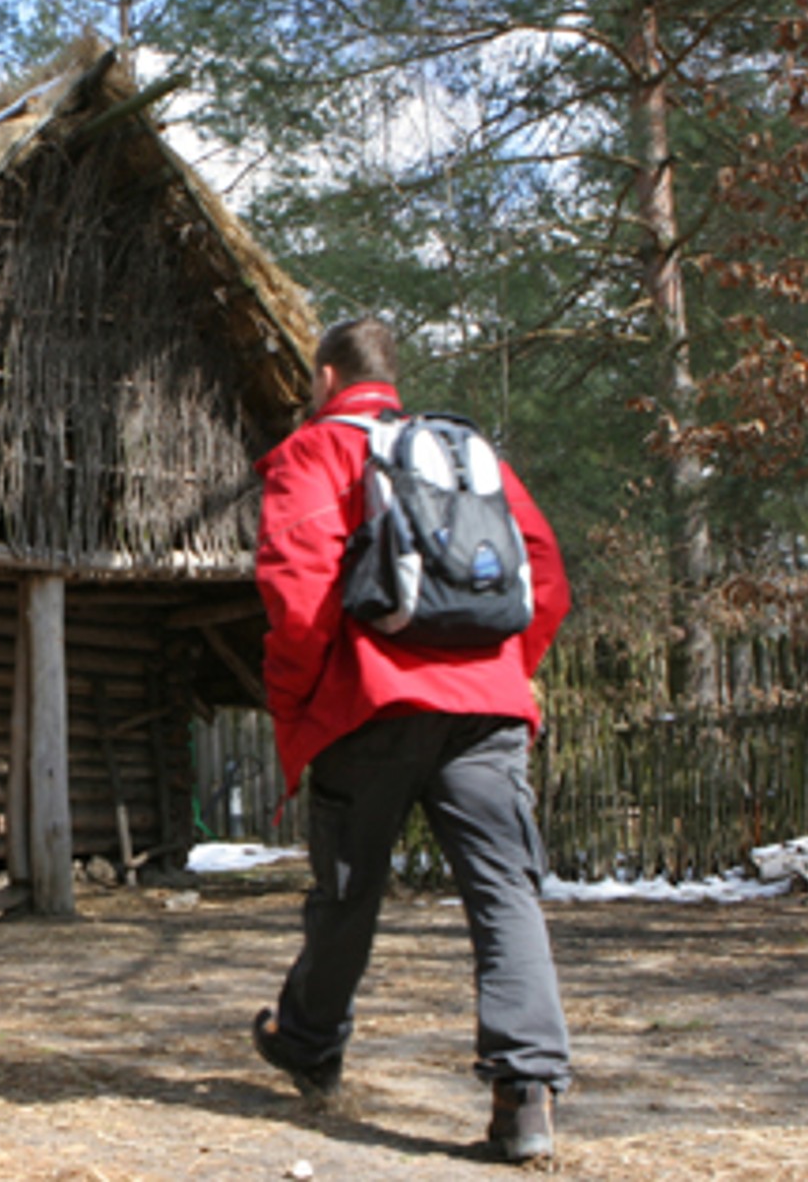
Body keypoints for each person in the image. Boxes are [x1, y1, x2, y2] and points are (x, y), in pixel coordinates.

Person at [249, 317, 573, 1163]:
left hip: (373, 705)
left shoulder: (315, 453)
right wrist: (505, 670)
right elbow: (546, 575)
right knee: (504, 893)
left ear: (325, 379)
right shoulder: (467, 456)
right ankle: (525, 1097)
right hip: (489, 712)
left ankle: (311, 1044)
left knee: (348, 893)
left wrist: (304, 703)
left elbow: (297, 599)